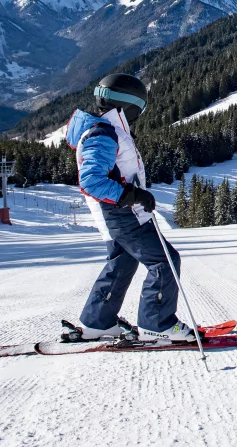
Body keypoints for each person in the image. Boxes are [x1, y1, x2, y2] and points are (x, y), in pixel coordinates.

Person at [66, 73, 195, 343]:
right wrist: (131, 195)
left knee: (121, 264)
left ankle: (97, 323)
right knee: (164, 261)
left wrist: (134, 194)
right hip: (123, 214)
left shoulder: (108, 130)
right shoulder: (104, 134)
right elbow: (91, 180)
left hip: (117, 213)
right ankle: (157, 324)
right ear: (129, 104)